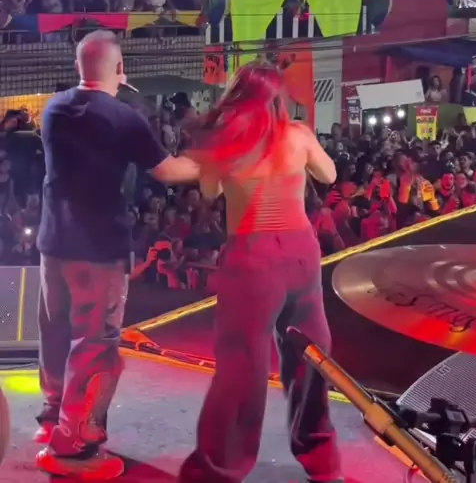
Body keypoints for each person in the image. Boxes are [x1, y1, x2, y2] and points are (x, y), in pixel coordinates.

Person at [35, 30, 200, 479]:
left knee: (56, 330)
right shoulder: (124, 118)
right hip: (99, 248)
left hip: (54, 244)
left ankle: (53, 415)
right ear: (120, 67)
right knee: (95, 344)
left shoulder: (54, 108)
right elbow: (167, 172)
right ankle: (76, 441)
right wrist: (212, 164)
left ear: (78, 66)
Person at [178, 62, 342, 483]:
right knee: (312, 353)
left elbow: (210, 192)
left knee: (243, 366)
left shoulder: (225, 143)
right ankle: (322, 459)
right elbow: (329, 173)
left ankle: (221, 466)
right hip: (301, 255)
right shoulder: (299, 135)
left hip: (253, 260)